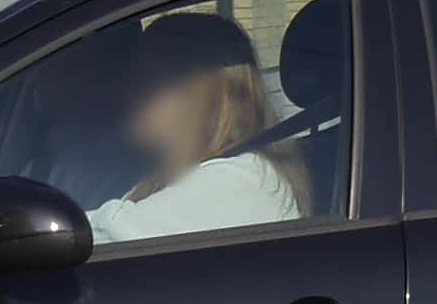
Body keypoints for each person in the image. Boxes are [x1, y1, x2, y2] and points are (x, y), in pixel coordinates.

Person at [86, 12, 304, 244]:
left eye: (149, 79)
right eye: (131, 77)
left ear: (205, 97)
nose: (128, 92)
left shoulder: (238, 179)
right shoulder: (161, 174)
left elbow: (93, 238)